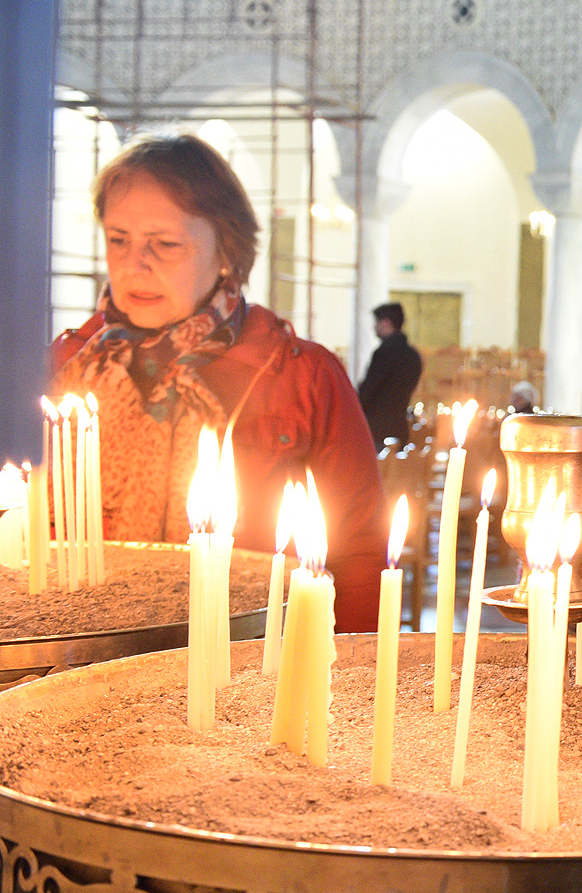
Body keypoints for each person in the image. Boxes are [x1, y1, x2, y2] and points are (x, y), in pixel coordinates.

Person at [49, 135, 385, 632]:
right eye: (118, 239)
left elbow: (358, 557)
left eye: (164, 244)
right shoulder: (67, 368)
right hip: (75, 659)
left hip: (253, 669)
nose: (134, 263)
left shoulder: (300, 375)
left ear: (226, 251)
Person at [356, 301, 423, 446]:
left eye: (376, 322)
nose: (374, 327)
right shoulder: (413, 355)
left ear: (386, 323)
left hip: (377, 430)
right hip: (400, 427)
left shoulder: (384, 353)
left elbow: (368, 391)